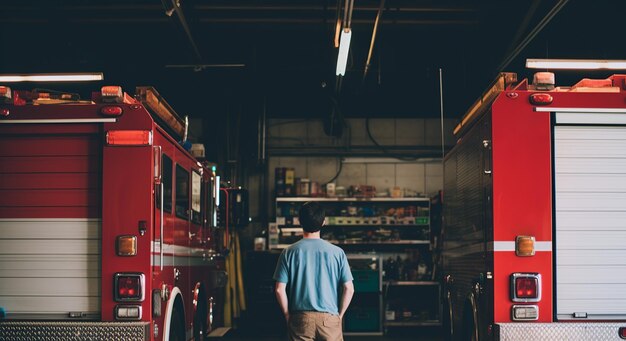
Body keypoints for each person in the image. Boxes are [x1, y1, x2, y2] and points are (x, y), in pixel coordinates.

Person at [273, 201, 354, 341]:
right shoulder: (337, 253)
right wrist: (339, 316)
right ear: (323, 222)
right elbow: (349, 288)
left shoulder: (288, 252)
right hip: (330, 319)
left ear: (299, 221)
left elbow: (279, 290)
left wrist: (287, 315)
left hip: (300, 319)